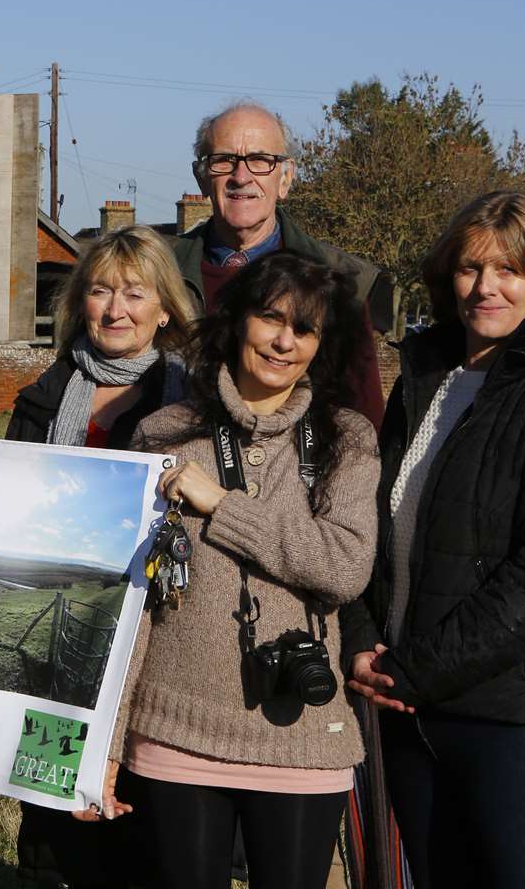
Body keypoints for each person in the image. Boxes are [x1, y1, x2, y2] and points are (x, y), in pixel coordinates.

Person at [342, 191, 525, 888]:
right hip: (410, 712)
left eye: (510, 271)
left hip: (512, 718)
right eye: (470, 268)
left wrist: (417, 670)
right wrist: (359, 640)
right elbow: (372, 533)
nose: (485, 287)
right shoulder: (425, 387)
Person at [84, 251, 381, 889]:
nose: (282, 341)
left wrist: (222, 505)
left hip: (301, 736)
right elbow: (133, 605)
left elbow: (344, 567)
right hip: (174, 731)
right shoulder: (166, 435)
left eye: (304, 330)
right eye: (269, 318)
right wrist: (104, 745)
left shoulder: (346, 441)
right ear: (237, 321)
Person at [7, 225, 196, 888]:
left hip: (156, 642)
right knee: (62, 829)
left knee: (142, 828)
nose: (116, 310)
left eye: (135, 293)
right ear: (78, 304)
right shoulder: (45, 397)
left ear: (166, 307)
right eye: (100, 291)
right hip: (56, 631)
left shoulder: (193, 404)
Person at [172, 101, 389, 429]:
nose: (240, 176)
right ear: (202, 178)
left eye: (260, 160)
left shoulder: (340, 283)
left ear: (285, 179)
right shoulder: (157, 274)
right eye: (224, 161)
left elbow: (363, 423)